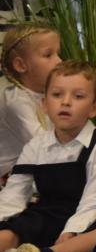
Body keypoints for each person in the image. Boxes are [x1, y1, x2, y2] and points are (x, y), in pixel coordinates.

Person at [0, 61, 96, 252]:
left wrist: (71, 230)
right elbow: (14, 194)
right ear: (44, 104)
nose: (65, 102)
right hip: (46, 216)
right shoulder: (36, 145)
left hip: (89, 216)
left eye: (78, 96)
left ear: (94, 109)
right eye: (57, 95)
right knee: (10, 233)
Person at [0, 23, 61, 179]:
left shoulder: (45, 94)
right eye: (48, 55)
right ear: (21, 65)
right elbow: (43, 147)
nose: (59, 61)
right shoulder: (16, 102)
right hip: (10, 178)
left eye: (58, 54)